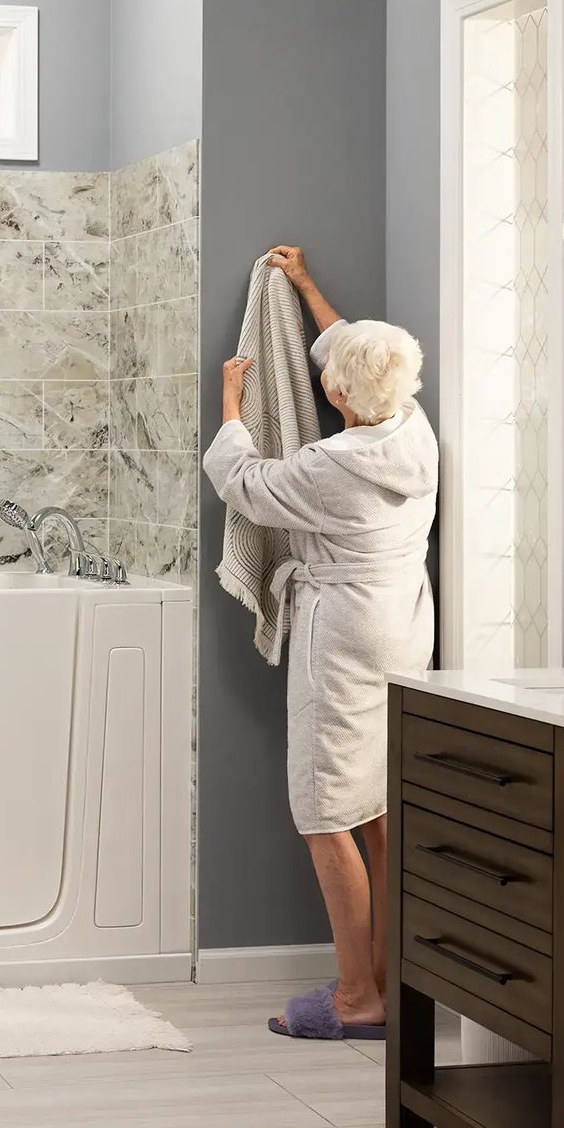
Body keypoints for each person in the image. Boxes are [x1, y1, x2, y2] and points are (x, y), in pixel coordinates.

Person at [203, 246, 438, 1040]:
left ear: (334, 392)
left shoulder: (327, 466)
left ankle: (355, 999)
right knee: (378, 804)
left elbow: (246, 485)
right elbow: (357, 348)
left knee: (324, 811)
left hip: (341, 634)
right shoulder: (412, 429)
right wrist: (304, 288)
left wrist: (232, 405)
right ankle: (391, 979)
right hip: (404, 629)